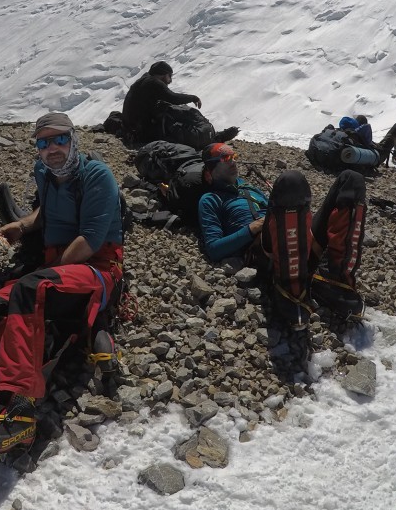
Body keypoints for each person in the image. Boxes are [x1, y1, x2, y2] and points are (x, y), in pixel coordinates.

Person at [0, 112, 124, 457]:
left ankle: (20, 409)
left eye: (59, 139)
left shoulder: (97, 176)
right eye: (43, 142)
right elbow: (46, 213)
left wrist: (45, 273)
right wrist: (21, 225)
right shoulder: (45, 173)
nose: (52, 148)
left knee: (29, 289)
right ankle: (48, 341)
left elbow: (91, 240)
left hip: (95, 269)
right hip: (56, 269)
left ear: (73, 140)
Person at [198, 143, 368, 327]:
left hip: (295, 236)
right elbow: (214, 248)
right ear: (211, 168)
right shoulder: (210, 199)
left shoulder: (250, 188)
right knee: (291, 181)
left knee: (352, 180)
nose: (233, 162)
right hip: (265, 250)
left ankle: (334, 280)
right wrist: (251, 229)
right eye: (225, 158)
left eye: (234, 156)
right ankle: (290, 291)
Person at [121, 61, 237, 147]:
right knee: (176, 134)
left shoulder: (143, 80)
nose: (170, 80)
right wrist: (193, 97)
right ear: (163, 74)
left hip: (130, 128)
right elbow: (173, 98)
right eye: (169, 76)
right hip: (141, 132)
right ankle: (211, 139)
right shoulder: (154, 82)